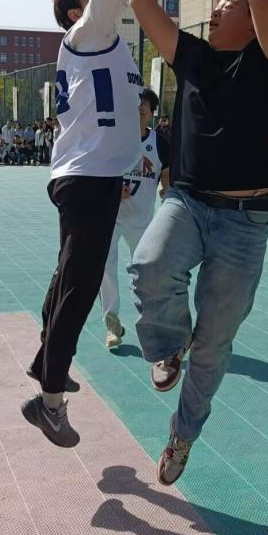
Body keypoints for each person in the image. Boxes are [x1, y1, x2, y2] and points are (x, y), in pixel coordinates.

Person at [128, 0, 268, 486]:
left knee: (217, 341)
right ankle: (165, 346)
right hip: (189, 202)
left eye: (229, 8)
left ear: (252, 22)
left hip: (246, 221)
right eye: (216, 8)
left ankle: (183, 434)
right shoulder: (193, 57)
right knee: (149, 265)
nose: (216, 14)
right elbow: (144, 4)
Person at [20, 0, 157, 448]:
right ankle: (50, 398)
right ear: (79, 9)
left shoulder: (110, 46)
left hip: (91, 174)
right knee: (80, 284)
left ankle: (43, 363)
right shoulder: (91, 31)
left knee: (67, 275)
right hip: (89, 177)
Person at [100, 88, 169, 349]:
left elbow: (167, 180)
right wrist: (112, 187)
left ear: (152, 113)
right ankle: (112, 323)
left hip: (142, 222)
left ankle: (151, 323)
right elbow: (100, 171)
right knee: (106, 268)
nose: (139, 108)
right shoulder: (115, 139)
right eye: (135, 103)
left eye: (145, 105)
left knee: (146, 274)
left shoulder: (161, 143)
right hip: (112, 217)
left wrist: (168, 197)